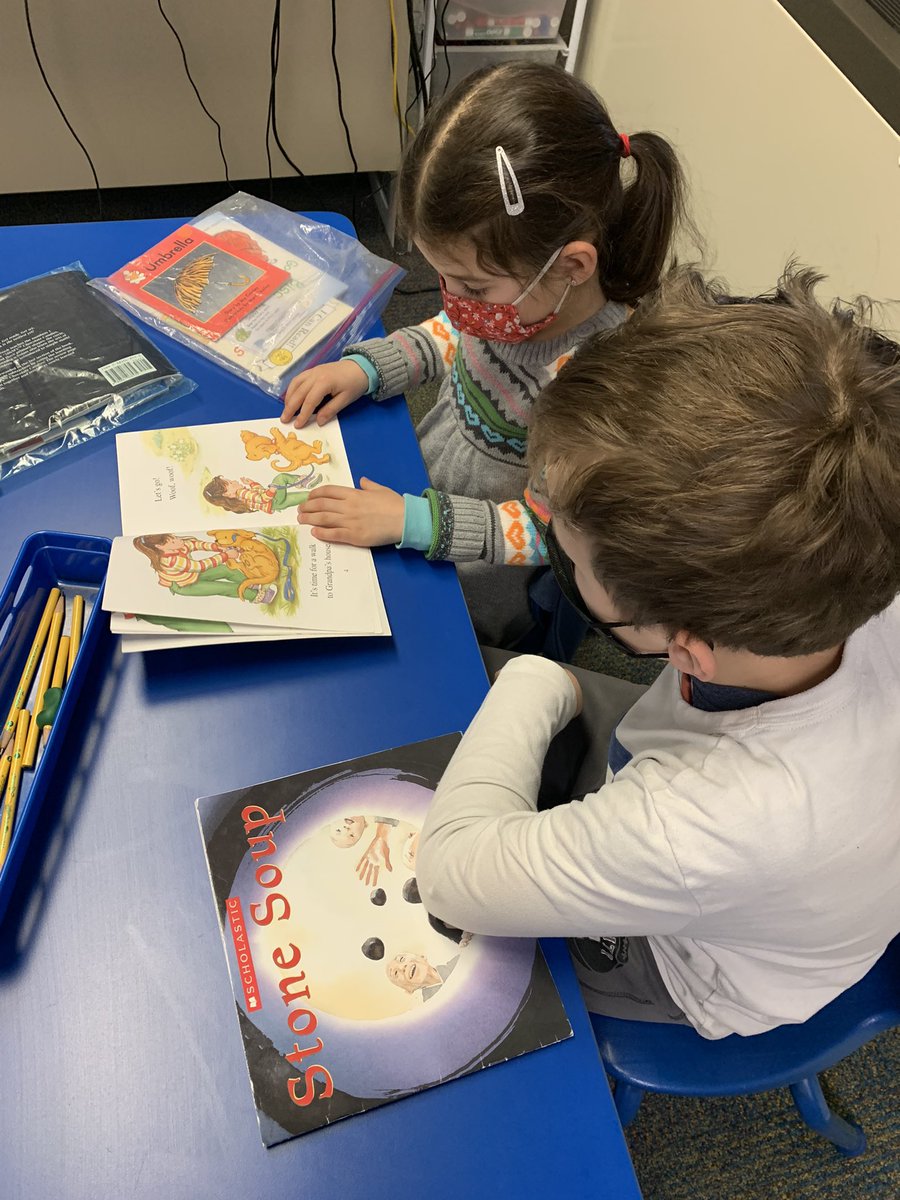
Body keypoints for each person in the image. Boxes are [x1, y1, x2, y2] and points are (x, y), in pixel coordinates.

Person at [415, 265, 900, 1040]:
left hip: (692, 966)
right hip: (779, 847)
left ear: (685, 647)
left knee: (436, 934)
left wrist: (539, 678)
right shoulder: (857, 551)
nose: (549, 531)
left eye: (566, 546)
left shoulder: (704, 824)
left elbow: (449, 873)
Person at [280, 61, 692, 654]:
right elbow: (451, 334)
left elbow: (550, 532)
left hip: (484, 576)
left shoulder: (596, 383)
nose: (452, 299)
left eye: (472, 286)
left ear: (573, 266)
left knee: (442, 653)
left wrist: (412, 522)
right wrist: (367, 368)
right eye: (442, 276)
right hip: (421, 497)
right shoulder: (517, 304)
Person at [202, 468, 323, 515]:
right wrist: (272, 490)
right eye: (230, 483)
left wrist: (252, 483)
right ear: (227, 494)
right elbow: (262, 498)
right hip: (274, 501)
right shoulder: (242, 493)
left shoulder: (242, 496)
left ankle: (319, 497)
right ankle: (303, 482)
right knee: (281, 478)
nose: (234, 481)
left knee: (306, 496)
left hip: (277, 504)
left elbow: (258, 492)